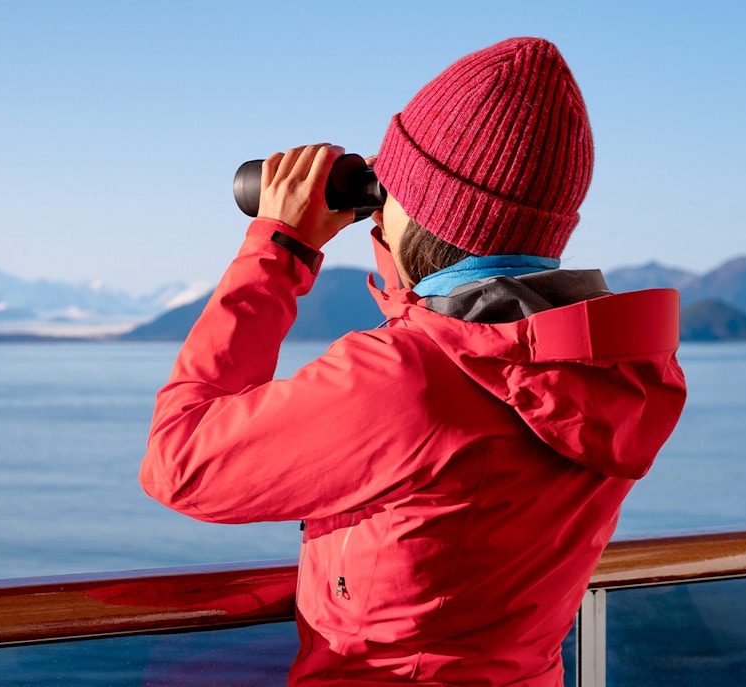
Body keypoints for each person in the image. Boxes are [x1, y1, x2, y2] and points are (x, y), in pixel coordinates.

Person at [139, 37, 687, 685]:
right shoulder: (605, 370)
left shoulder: (410, 378)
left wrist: (278, 247)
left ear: (426, 212)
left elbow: (179, 460)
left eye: (387, 187)